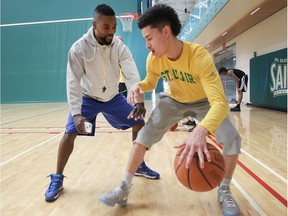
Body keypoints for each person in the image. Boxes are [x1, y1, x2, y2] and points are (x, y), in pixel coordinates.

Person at [99, 4, 241, 216]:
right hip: (173, 100)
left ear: (166, 32)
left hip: (204, 102)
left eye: (149, 38)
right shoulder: (154, 59)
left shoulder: (199, 57)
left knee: (233, 138)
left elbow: (220, 103)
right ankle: (123, 187)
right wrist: (139, 86)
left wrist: (201, 130)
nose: (147, 44)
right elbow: (150, 81)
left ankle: (224, 189)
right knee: (143, 136)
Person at [44, 4, 160, 202]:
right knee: (69, 133)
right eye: (106, 27)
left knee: (139, 120)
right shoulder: (78, 48)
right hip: (87, 98)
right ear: (94, 25)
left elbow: (131, 73)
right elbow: (72, 82)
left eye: (114, 27)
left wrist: (139, 100)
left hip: (114, 97)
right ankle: (57, 178)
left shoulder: (119, 47)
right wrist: (77, 112)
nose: (111, 31)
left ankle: (138, 165)